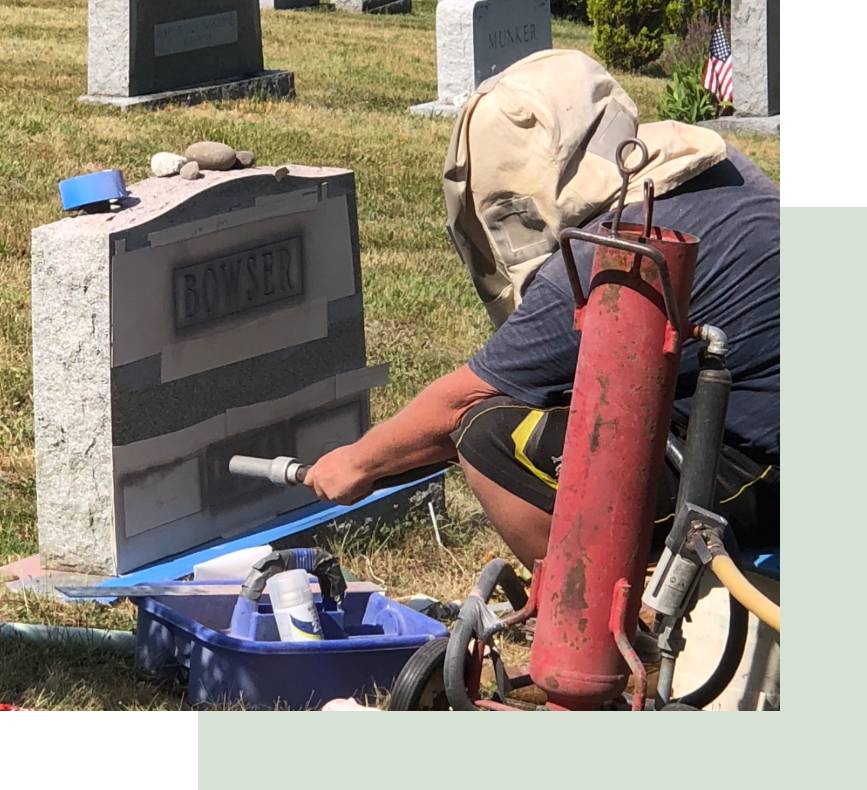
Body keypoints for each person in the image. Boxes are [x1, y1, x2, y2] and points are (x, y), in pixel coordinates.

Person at [302, 52, 780, 570]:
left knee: (485, 433)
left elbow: (457, 404)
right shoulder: (719, 167)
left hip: (767, 475)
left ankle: (586, 622)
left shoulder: (608, 258)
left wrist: (357, 463)